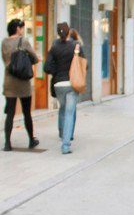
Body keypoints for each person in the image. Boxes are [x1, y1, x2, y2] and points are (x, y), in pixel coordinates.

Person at [43, 22, 84, 154]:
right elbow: (84, 64)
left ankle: (62, 134)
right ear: (68, 32)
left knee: (62, 108)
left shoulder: (54, 47)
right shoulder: (76, 46)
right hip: (72, 83)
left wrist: (57, 72)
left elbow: (46, 67)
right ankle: (65, 145)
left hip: (58, 84)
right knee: (69, 112)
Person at [2, 18, 40, 151]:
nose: (23, 30)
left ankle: (7, 144)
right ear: (18, 29)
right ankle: (31, 140)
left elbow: (6, 60)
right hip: (23, 82)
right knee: (26, 113)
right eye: (22, 28)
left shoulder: (4, 42)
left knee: (10, 114)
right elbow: (34, 58)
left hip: (9, 82)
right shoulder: (23, 41)